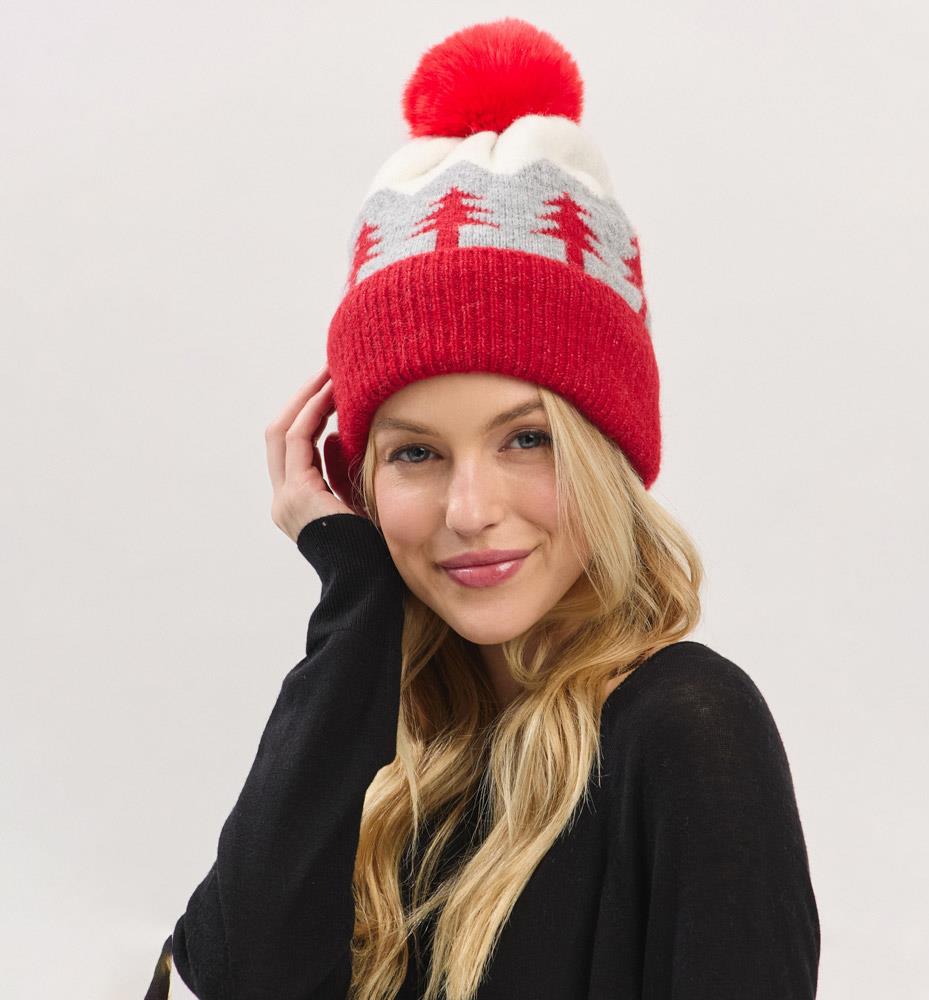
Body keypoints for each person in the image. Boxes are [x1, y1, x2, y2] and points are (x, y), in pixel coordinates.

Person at [144, 17, 820, 1000]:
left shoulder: (687, 728)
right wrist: (355, 592)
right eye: (415, 452)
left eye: (526, 439)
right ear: (359, 479)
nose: (470, 509)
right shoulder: (396, 766)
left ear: (604, 455)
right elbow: (230, 982)